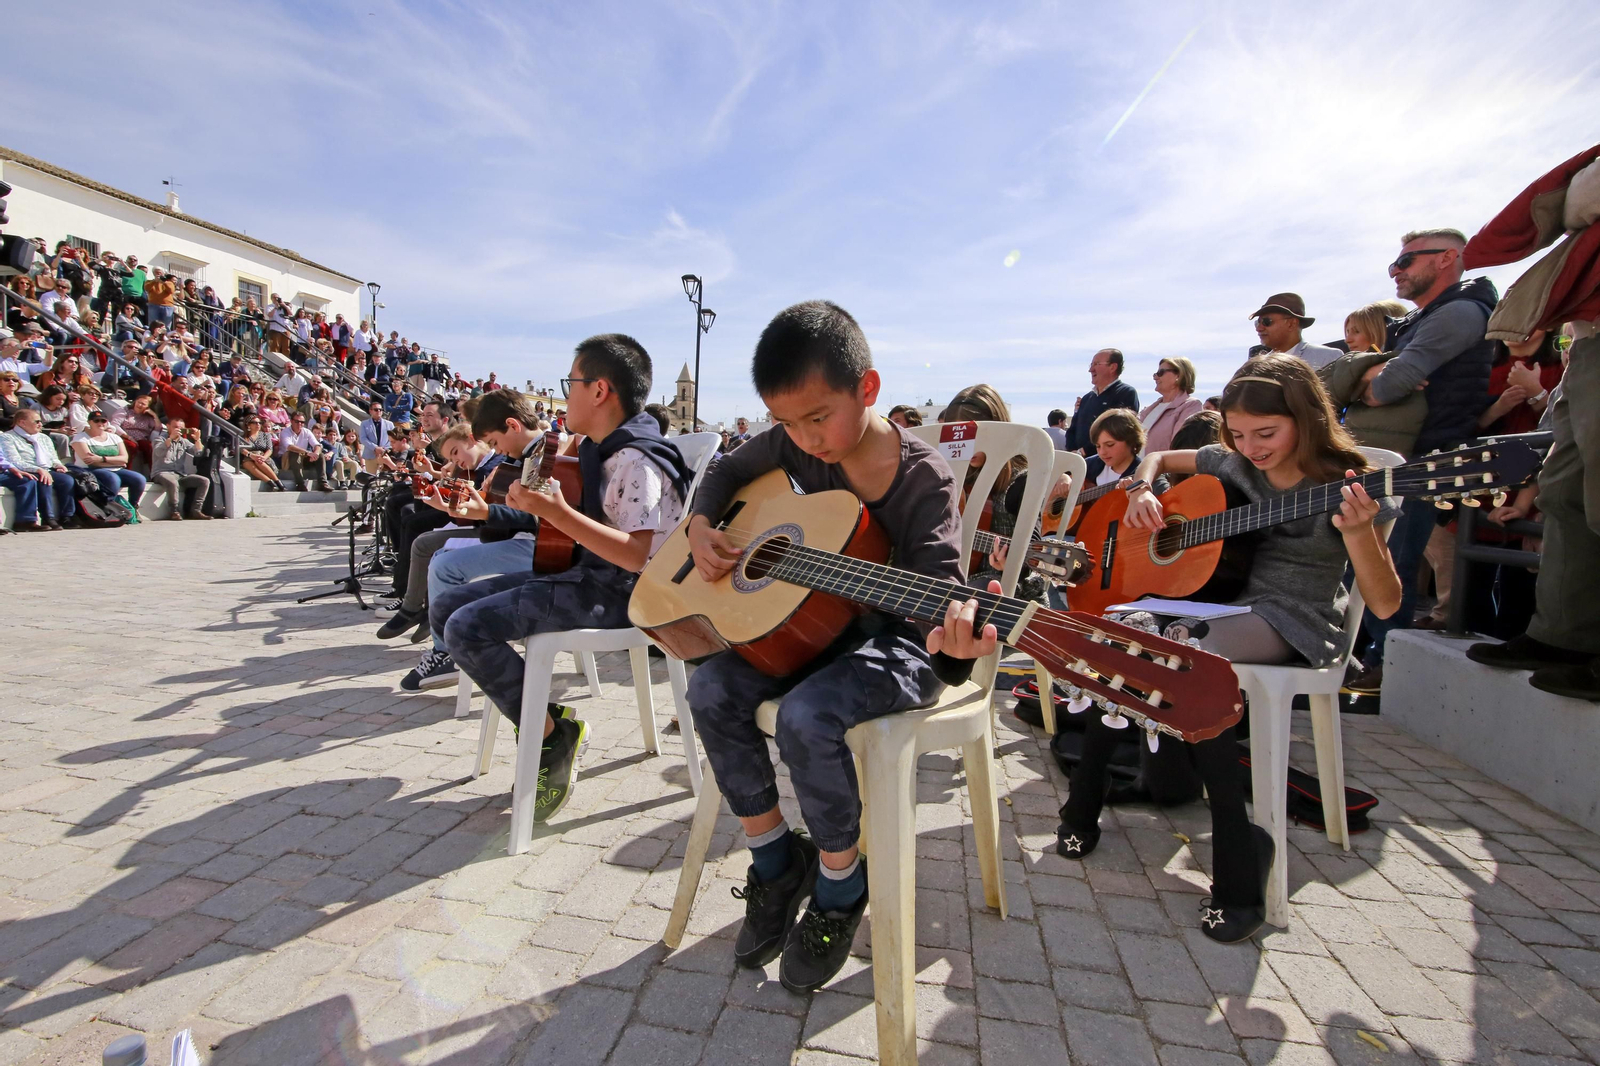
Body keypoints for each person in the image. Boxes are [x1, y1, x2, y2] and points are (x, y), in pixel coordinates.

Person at [684, 301, 997, 994]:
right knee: (708, 688)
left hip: (903, 648)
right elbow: (728, 469)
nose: (803, 439)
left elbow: (940, 607)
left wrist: (955, 647)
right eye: (786, 423)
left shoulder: (923, 480)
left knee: (805, 716)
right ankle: (774, 860)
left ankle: (839, 882)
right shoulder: (795, 441)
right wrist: (703, 522)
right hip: (817, 628)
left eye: (817, 418)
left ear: (868, 389)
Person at [1059, 355, 1401, 943]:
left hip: (1294, 618)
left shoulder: (1350, 480)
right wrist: (1142, 485)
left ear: (1306, 420)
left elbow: (1387, 602)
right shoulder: (1232, 463)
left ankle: (1239, 859)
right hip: (1219, 607)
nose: (1253, 447)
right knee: (1122, 634)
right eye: (1239, 435)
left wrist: (1358, 532)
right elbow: (1162, 456)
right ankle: (1083, 802)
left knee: (1184, 656)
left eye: (1266, 433)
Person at [416, 342, 694, 824]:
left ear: (600, 390)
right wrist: (488, 511)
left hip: (624, 593)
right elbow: (551, 524)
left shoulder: (634, 460)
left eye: (571, 384)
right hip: (585, 576)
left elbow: (635, 554)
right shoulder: (593, 450)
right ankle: (551, 725)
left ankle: (549, 737)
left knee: (465, 628)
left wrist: (558, 513)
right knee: (446, 608)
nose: (565, 397)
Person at [1346, 228, 1499, 694]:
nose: (1395, 270)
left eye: (1407, 260)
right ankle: (1372, 663)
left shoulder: (1460, 311)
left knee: (1390, 562)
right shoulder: (1428, 315)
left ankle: (1389, 673)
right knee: (1369, 560)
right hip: (1403, 456)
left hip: (1423, 458)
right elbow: (1377, 379)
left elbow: (1392, 385)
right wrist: (1365, 379)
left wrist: (1364, 383)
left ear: (1447, 259)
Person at [376, 422, 505, 640]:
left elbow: (483, 510)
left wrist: (447, 503)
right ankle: (417, 607)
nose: (456, 461)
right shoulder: (474, 467)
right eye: (452, 458)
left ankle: (420, 610)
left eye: (456, 453)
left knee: (425, 541)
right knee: (420, 534)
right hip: (477, 526)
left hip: (491, 532)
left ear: (472, 440)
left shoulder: (496, 466)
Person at [0, 408, 76, 530]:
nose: (40, 424)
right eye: (37, 421)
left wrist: (58, 465)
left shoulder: (43, 437)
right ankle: (47, 517)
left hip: (45, 468)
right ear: (22, 422)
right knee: (41, 479)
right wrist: (37, 469)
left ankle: (67, 517)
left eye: (40, 421)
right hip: (27, 468)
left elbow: (53, 457)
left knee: (66, 480)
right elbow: (13, 460)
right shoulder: (7, 437)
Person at [1066, 348, 1139, 455]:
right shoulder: (1087, 398)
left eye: (1096, 364)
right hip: (1080, 463)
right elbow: (1073, 429)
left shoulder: (1125, 393)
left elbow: (1118, 431)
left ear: (1112, 367)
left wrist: (1084, 451)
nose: (1091, 369)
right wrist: (1071, 452)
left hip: (1107, 464)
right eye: (1091, 365)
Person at [70, 411, 146, 509]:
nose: (100, 423)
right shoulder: (80, 438)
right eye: (96, 421)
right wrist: (116, 461)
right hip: (89, 470)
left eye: (103, 421)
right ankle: (108, 507)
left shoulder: (114, 437)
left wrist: (102, 459)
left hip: (116, 469)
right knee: (113, 479)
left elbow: (124, 459)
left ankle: (132, 507)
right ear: (89, 422)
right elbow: (91, 462)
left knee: (139, 479)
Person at [1248, 293, 1340, 368]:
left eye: (1266, 321)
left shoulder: (1327, 357)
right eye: (1257, 322)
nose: (1258, 328)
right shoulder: (1255, 367)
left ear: (1291, 324)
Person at [150, 418, 212, 520]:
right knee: (173, 482)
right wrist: (170, 438)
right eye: (175, 427)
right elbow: (158, 453)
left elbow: (198, 453)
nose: (178, 430)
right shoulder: (159, 439)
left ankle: (196, 510)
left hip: (180, 474)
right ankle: (174, 511)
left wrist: (197, 439)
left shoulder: (184, 441)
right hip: (161, 472)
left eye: (181, 428)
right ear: (168, 426)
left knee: (204, 481)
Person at [1139, 356, 1204, 453]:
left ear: (1178, 375)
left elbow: (1181, 445)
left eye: (1160, 373)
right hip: (1140, 467)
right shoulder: (1150, 409)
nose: (1155, 377)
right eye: (1155, 374)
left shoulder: (1191, 405)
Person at [238, 416, 285, 489]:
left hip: (262, 457)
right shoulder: (243, 436)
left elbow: (270, 449)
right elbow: (241, 448)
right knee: (247, 463)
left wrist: (264, 457)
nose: (258, 424)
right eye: (255, 423)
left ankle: (278, 482)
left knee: (258, 461)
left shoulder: (265, 435)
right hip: (248, 457)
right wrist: (251, 455)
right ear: (248, 425)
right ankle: (270, 483)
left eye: (259, 423)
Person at [358, 400, 394, 474]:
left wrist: (383, 450)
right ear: (370, 411)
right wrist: (375, 448)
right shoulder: (364, 424)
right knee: (370, 479)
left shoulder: (389, 424)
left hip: (386, 455)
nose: (378, 411)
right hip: (370, 455)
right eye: (376, 409)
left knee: (385, 478)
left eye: (380, 410)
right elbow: (363, 438)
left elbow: (393, 439)